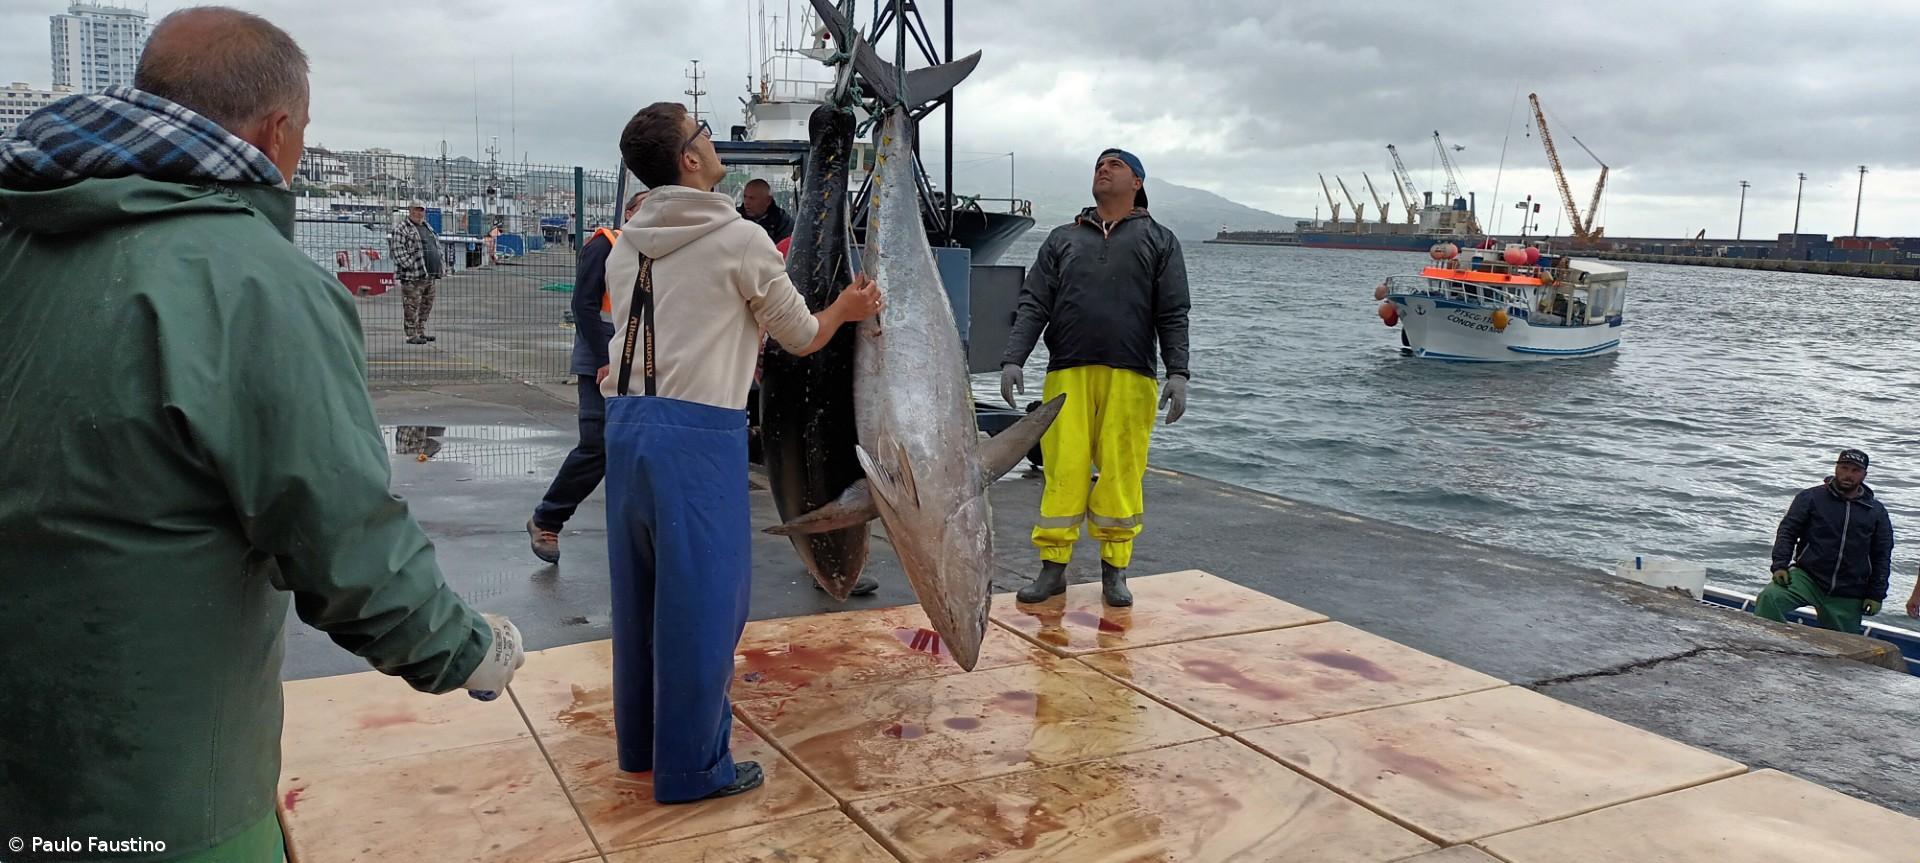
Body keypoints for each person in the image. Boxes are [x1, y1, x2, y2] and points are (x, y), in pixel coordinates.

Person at [0, 8, 524, 861]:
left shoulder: (18, 237)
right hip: (159, 788)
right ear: (278, 131)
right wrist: (463, 649)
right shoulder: (257, 282)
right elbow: (340, 534)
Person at [602, 102, 882, 803]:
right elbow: (801, 337)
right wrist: (847, 309)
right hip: (698, 437)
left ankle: (641, 745)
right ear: (690, 160)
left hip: (626, 428)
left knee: (639, 599)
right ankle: (694, 768)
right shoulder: (741, 240)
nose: (709, 137)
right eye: (701, 132)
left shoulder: (625, 244)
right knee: (702, 605)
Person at [1000, 147, 1190, 608]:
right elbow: (1034, 303)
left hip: (1133, 376)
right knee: (1063, 469)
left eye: (1115, 165)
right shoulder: (1062, 239)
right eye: (1099, 165)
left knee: (1122, 474)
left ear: (1138, 183)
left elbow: (1173, 311)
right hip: (1067, 371)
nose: (1103, 170)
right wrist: (1013, 358)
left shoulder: (1161, 241)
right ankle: (1052, 570)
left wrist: (1178, 372)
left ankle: (1115, 571)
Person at [526, 190, 647, 562]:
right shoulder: (606, 245)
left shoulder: (657, 252)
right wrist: (602, 358)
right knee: (597, 444)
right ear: (628, 214)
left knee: (637, 449)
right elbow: (583, 304)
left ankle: (640, 536)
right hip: (602, 361)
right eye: (645, 210)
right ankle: (548, 518)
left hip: (641, 365)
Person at [1760, 448, 1895, 635]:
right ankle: (1771, 647)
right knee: (1770, 598)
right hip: (1808, 577)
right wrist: (1780, 565)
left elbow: (1882, 555)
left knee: (1845, 646)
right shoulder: (1810, 497)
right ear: (1836, 468)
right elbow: (1787, 532)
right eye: (1844, 468)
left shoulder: (1876, 512)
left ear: (1864, 474)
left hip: (1849, 589)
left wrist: (1876, 594)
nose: (1848, 475)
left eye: (1855, 470)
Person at [388, 199, 445, 344]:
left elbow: (436, 246)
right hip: (413, 276)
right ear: (410, 210)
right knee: (411, 306)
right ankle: (411, 335)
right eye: (416, 209)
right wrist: (410, 266)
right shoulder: (402, 229)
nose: (419, 212)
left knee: (426, 304)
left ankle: (420, 331)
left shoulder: (427, 227)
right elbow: (397, 251)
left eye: (422, 210)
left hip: (429, 275)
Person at [738, 177, 795, 243]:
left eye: (752, 198)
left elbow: (785, 247)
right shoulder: (736, 217)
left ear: (768, 201)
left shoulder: (783, 222)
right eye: (745, 197)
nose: (746, 202)